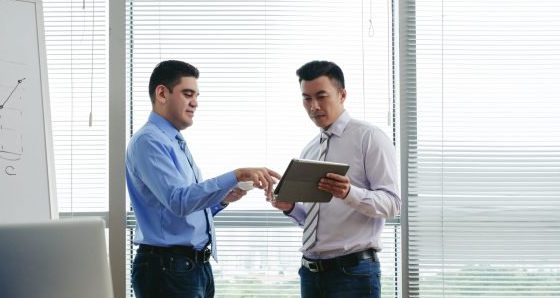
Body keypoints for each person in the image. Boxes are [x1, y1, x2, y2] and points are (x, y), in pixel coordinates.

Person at [126, 60, 281, 298]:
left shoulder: (173, 142)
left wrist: (223, 199)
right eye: (187, 94)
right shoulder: (149, 141)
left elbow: (183, 206)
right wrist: (236, 175)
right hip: (168, 268)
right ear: (161, 93)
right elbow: (178, 201)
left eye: (197, 95)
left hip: (191, 267)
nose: (195, 103)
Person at [270, 60, 401, 298]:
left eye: (321, 96)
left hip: (352, 273)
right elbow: (314, 219)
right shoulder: (310, 150)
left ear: (342, 95)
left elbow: (392, 204)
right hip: (310, 272)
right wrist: (290, 207)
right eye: (306, 98)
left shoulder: (369, 138)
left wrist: (349, 193)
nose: (314, 106)